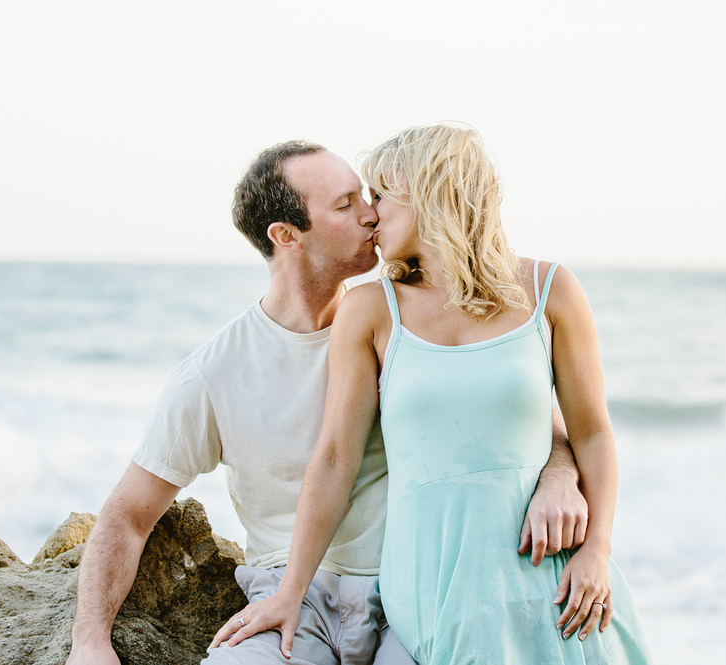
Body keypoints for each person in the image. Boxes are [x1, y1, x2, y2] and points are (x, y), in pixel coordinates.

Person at [66, 140, 592, 665]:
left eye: (369, 196)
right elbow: (129, 515)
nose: (371, 214)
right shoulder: (214, 373)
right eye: (345, 205)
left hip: (412, 592)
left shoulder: (401, 324)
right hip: (291, 603)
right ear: (286, 235)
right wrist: (89, 642)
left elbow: (511, 416)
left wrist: (560, 474)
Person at [213, 125, 652, 663]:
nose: (370, 214)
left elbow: (591, 430)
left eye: (380, 195)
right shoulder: (372, 310)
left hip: (550, 577)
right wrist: (290, 592)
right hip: (429, 582)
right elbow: (334, 458)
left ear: (429, 193)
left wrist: (597, 549)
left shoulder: (551, 289)